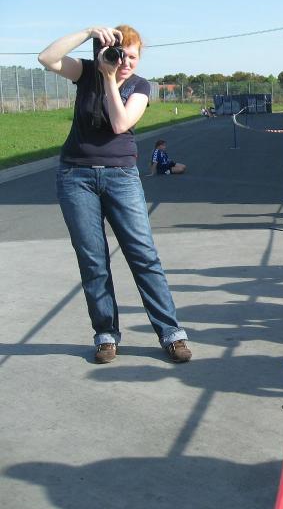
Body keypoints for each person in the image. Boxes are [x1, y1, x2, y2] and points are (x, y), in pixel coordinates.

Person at [37, 25, 192, 364]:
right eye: (120, 55)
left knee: (143, 255)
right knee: (93, 260)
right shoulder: (86, 73)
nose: (125, 62)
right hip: (75, 177)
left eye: (132, 57)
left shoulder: (140, 86)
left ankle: (171, 332)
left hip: (121, 177)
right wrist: (87, 32)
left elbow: (120, 124)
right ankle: (106, 335)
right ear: (104, 53)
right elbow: (46, 57)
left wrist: (110, 79)